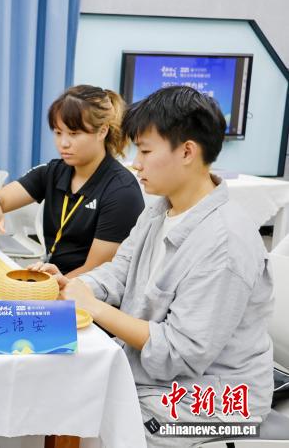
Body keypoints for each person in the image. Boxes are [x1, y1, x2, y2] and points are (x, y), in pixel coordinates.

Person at [59, 86, 273, 447]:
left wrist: (93, 307)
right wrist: (73, 286)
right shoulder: (161, 209)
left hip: (209, 402)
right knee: (58, 397)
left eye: (145, 151)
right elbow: (120, 270)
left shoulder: (225, 244)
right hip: (154, 377)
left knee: (86, 423)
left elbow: (178, 353)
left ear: (187, 151)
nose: (136, 163)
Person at [0, 85, 144, 277]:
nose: (63, 143)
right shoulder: (54, 172)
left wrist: (48, 287)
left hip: (88, 288)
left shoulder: (121, 191)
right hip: (53, 278)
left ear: (102, 131)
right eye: (58, 132)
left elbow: (96, 272)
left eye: (74, 134)